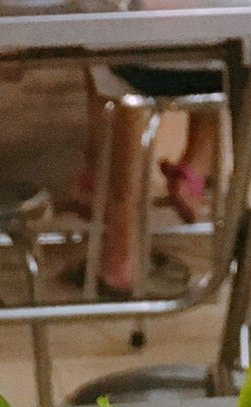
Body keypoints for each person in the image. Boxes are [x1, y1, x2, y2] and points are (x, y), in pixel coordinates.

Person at [65, 66, 223, 296]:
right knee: (217, 55)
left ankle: (122, 250)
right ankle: (195, 169)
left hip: (140, 68)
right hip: (230, 71)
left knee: (114, 60)